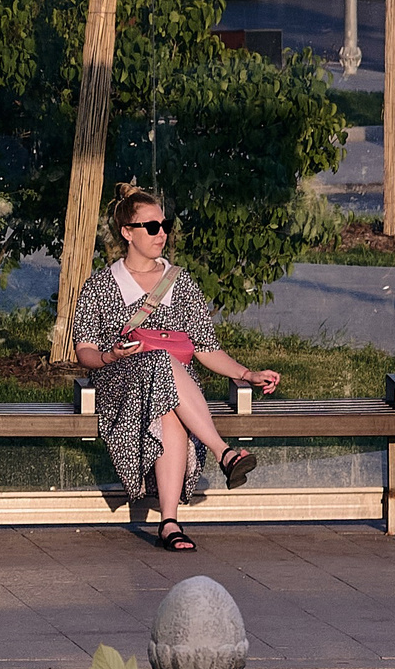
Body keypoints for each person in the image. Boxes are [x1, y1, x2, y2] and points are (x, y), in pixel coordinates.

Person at [72, 185, 283, 552]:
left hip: (171, 387)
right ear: (127, 232)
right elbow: (85, 349)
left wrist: (246, 374)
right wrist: (111, 357)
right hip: (120, 382)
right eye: (151, 227)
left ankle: (169, 522)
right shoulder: (102, 285)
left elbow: (205, 347)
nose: (162, 234)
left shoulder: (180, 281)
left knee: (168, 400)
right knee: (158, 364)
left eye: (164, 225)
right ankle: (224, 452)